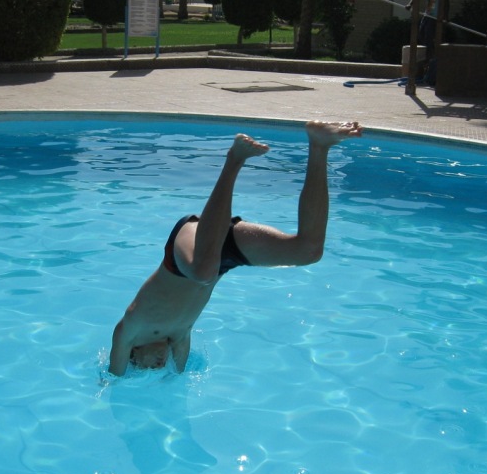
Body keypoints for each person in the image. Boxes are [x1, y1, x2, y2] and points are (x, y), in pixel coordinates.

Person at [108, 121, 363, 377]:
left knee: (202, 272)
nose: (159, 364)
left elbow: (113, 376)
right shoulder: (179, 336)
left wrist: (112, 381)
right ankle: (319, 145)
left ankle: (235, 159)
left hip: (188, 249)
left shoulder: (130, 329)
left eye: (145, 364)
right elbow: (177, 378)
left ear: (133, 353)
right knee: (307, 252)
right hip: (218, 257)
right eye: (158, 366)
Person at [406, 0, 446, 64]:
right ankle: (429, 53)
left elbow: (447, 0)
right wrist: (410, 4)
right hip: (427, 14)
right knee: (421, 33)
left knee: (428, 36)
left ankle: (430, 58)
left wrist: (445, 15)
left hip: (435, 16)